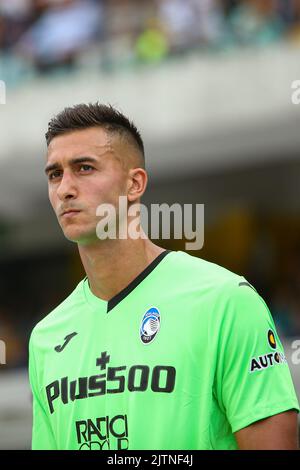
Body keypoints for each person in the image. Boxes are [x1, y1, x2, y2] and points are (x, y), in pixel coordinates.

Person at [29, 102, 299, 450]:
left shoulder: (225, 301)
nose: (65, 188)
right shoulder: (46, 338)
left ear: (134, 183)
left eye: (84, 168)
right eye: (55, 174)